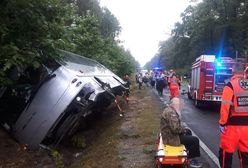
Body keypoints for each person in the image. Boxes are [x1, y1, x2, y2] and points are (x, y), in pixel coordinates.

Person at [219, 62, 248, 168]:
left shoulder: (230, 85)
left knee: (226, 153)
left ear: (232, 71)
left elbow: (225, 107)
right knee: (245, 155)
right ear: (243, 71)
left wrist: (222, 123)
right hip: (247, 128)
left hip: (232, 126)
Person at [160, 97, 202, 168]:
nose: (180, 106)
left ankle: (188, 152)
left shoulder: (169, 110)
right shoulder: (171, 113)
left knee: (188, 132)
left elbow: (175, 127)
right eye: (179, 104)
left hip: (169, 135)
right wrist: (183, 130)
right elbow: (175, 129)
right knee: (195, 140)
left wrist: (184, 130)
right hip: (171, 138)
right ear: (175, 105)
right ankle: (191, 160)